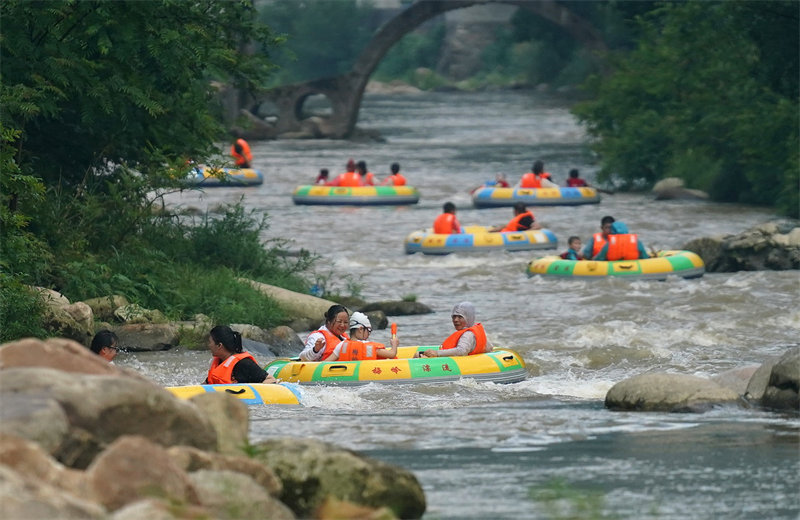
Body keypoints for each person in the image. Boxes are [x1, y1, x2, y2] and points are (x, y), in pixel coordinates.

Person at [417, 302, 492, 358]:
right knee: (419, 354)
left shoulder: (468, 334)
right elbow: (489, 347)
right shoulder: (476, 330)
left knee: (418, 355)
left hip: (463, 364)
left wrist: (437, 353)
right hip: (468, 360)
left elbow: (462, 351)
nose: (455, 320)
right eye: (454, 317)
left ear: (468, 318)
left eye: (460, 317)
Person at [205, 325, 275, 384]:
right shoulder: (219, 362)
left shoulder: (244, 363)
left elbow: (271, 379)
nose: (208, 345)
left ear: (219, 345)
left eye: (210, 342)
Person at [325, 312, 399, 362]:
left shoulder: (341, 345)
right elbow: (392, 354)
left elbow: (325, 363)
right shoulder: (369, 346)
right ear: (360, 329)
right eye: (368, 330)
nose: (369, 333)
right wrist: (394, 344)